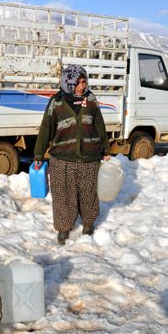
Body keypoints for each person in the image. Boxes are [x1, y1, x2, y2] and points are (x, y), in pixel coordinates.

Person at [34, 65, 111, 245]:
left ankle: (88, 223)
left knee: (88, 193)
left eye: (84, 82)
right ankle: (63, 228)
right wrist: (38, 155)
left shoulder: (91, 100)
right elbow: (46, 129)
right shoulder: (57, 102)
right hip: (62, 158)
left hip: (89, 158)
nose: (82, 86)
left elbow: (99, 124)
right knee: (63, 195)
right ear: (68, 83)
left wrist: (105, 149)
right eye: (79, 82)